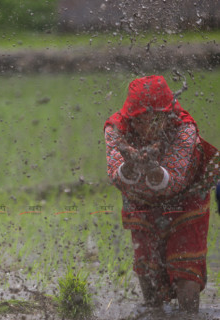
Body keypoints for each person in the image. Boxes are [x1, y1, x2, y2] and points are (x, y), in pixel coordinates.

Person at [104, 75, 220, 313]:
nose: (149, 127)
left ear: (168, 116)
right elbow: (116, 176)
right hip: (140, 201)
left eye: (156, 119)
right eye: (141, 120)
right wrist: (130, 165)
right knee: (148, 272)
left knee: (186, 276)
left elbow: (174, 182)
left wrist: (152, 169)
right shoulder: (116, 129)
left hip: (186, 200)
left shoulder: (184, 129)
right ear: (131, 118)